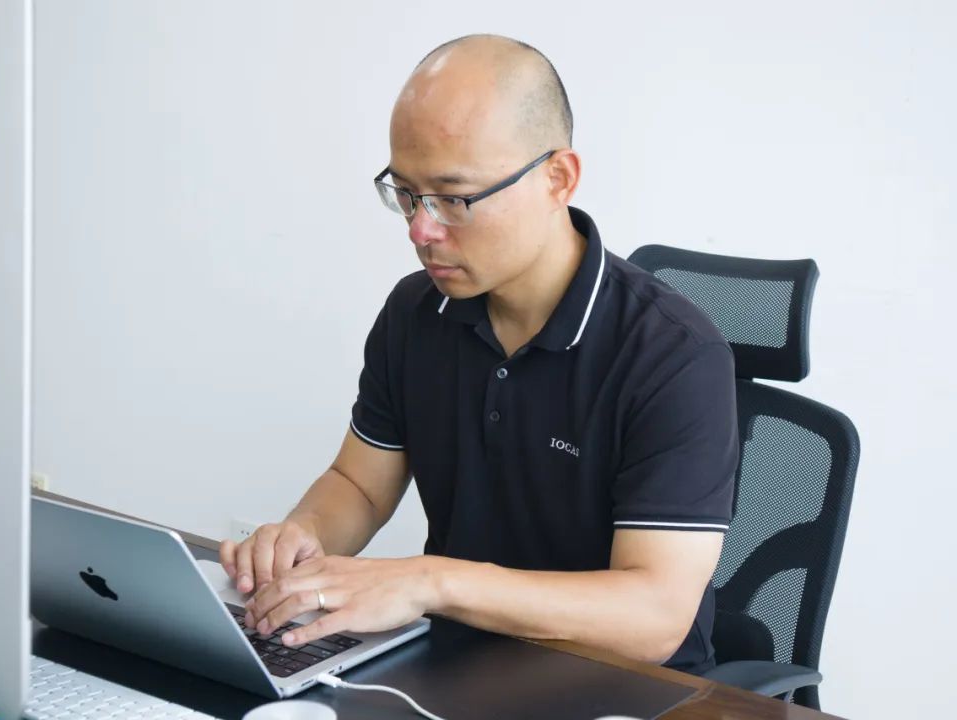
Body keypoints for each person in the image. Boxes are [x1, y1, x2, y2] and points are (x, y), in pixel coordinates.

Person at [219, 34, 738, 674]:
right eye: (405, 193)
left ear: (557, 179)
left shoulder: (674, 356)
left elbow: (653, 618)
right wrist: (304, 536)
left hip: (623, 688)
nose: (420, 229)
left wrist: (431, 581)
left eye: (453, 198)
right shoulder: (416, 312)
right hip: (457, 663)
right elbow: (359, 485)